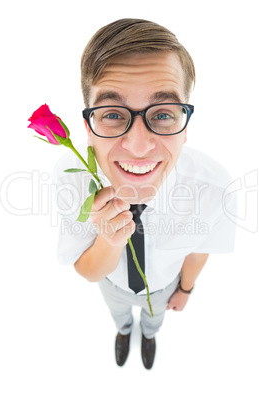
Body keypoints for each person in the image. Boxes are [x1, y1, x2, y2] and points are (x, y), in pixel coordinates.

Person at [53, 18, 236, 370]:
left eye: (164, 113)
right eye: (112, 114)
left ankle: (149, 336)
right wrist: (108, 238)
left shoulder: (214, 187)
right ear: (88, 129)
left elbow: (199, 250)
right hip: (112, 283)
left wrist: (185, 290)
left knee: (154, 320)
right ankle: (124, 332)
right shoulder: (69, 178)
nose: (138, 146)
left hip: (164, 287)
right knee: (118, 314)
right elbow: (87, 271)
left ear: (185, 126)